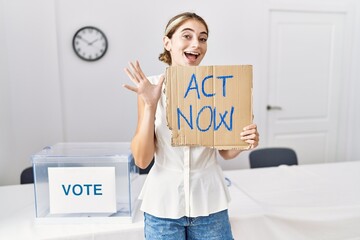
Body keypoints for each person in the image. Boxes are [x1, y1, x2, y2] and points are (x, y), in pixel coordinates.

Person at [123, 12, 259, 240]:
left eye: (203, 38)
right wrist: (150, 105)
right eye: (187, 36)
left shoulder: (220, 85)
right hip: (163, 207)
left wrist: (245, 141)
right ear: (167, 42)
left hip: (210, 204)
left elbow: (226, 152)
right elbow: (142, 160)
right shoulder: (150, 87)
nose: (196, 44)